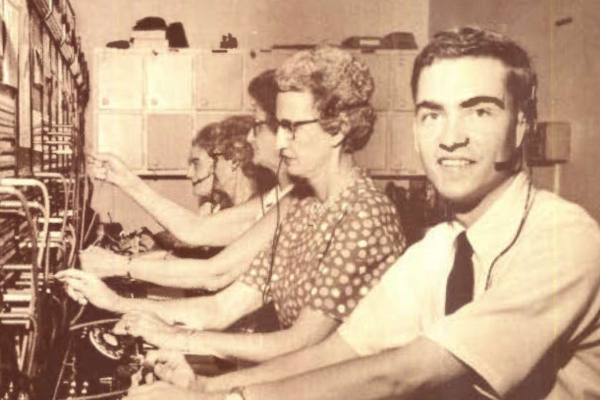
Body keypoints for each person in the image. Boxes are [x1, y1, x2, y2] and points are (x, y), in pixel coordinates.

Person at [127, 27, 600, 400]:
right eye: (432, 114)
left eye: (479, 112)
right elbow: (339, 352)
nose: (450, 136)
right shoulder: (440, 248)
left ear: (521, 128)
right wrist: (208, 387)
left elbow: (401, 374)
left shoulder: (566, 239)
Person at [58, 46, 405, 363]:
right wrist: (116, 303)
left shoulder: (364, 214)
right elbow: (222, 307)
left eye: (290, 127)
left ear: (338, 128)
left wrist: (180, 339)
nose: (280, 142)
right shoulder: (301, 205)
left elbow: (300, 344)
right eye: (278, 127)